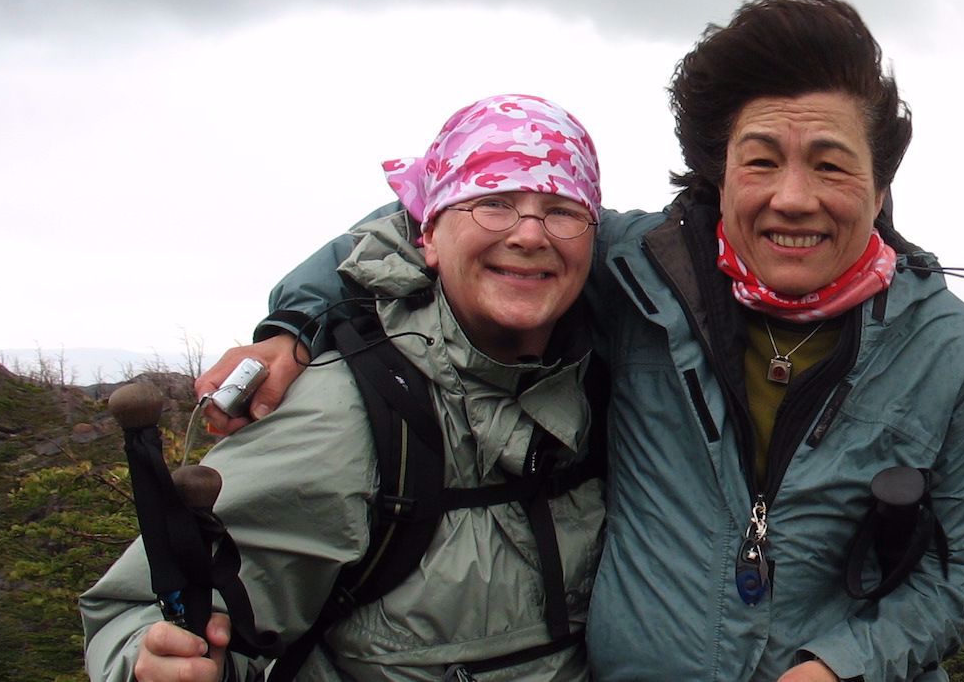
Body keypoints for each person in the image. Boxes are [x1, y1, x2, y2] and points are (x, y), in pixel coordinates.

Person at [198, 0, 964, 681]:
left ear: (880, 186)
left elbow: (962, 569)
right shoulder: (637, 269)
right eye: (761, 161)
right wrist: (294, 326)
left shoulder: (951, 349)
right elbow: (428, 225)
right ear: (718, 173)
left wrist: (842, 665)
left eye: (831, 165)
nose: (793, 198)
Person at [83, 94, 608, 681]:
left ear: (593, 237)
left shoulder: (614, 383)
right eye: (492, 203)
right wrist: (150, 662)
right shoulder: (348, 411)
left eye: (562, 210)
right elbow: (136, 613)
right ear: (427, 235)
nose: (530, 234)